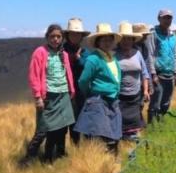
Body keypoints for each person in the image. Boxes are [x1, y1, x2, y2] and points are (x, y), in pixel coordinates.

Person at [21, 24, 76, 166]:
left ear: (62, 38)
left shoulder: (63, 54)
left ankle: (53, 157)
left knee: (61, 128)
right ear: (47, 37)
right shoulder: (40, 52)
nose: (55, 39)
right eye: (52, 36)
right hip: (48, 97)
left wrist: (71, 90)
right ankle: (28, 159)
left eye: (58, 36)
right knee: (43, 128)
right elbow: (34, 75)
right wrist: (38, 97)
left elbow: (67, 73)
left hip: (63, 95)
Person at [74, 23, 122, 154]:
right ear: (97, 41)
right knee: (102, 136)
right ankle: (99, 168)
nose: (107, 42)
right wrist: (90, 94)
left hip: (113, 102)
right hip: (99, 102)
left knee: (114, 135)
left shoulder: (112, 58)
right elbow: (83, 80)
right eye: (104, 39)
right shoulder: (93, 59)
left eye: (109, 39)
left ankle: (113, 166)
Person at [116, 21, 151, 141]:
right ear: (119, 40)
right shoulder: (114, 55)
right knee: (120, 123)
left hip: (136, 95)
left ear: (133, 40)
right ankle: (121, 144)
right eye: (124, 39)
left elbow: (144, 73)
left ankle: (134, 144)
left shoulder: (138, 54)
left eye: (129, 39)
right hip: (120, 96)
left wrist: (146, 90)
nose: (127, 41)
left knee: (135, 122)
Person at [145, 9, 176, 121]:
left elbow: (175, 55)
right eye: (165, 17)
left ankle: (161, 122)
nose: (167, 20)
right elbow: (150, 54)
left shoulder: (173, 35)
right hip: (158, 74)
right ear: (159, 19)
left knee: (166, 101)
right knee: (156, 102)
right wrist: (153, 74)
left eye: (169, 18)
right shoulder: (153, 34)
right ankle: (151, 124)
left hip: (170, 73)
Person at [64, 17, 90, 146]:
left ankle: (84, 148)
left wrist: (79, 59)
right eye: (73, 34)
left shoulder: (85, 53)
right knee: (70, 121)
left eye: (78, 34)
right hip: (64, 91)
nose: (75, 36)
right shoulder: (61, 52)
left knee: (83, 118)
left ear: (81, 37)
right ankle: (74, 147)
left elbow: (88, 66)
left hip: (81, 92)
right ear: (68, 35)